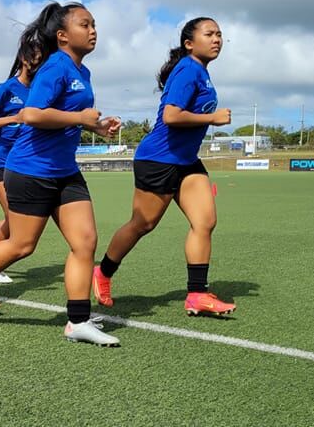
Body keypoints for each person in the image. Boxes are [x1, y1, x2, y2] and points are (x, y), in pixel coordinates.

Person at [0, 2, 122, 347]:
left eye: (94, 24)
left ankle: (77, 321)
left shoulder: (82, 72)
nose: (93, 31)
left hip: (65, 171)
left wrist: (99, 127)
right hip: (30, 170)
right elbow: (31, 114)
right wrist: (79, 119)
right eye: (84, 24)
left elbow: (72, 116)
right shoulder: (55, 67)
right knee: (22, 244)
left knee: (85, 241)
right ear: (62, 36)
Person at [93, 17, 236, 317]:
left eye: (220, 35)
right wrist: (212, 118)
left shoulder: (201, 73)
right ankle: (103, 272)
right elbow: (171, 116)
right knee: (142, 224)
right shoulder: (187, 69)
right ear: (189, 43)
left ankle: (197, 294)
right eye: (209, 34)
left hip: (186, 161)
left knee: (205, 221)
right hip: (158, 159)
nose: (217, 39)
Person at [0, 40, 43, 284]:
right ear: (25, 60)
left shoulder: (39, 90)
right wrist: (14, 118)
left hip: (23, 164)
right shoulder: (7, 88)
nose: (41, 62)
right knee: (14, 218)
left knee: (19, 218)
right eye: (37, 57)